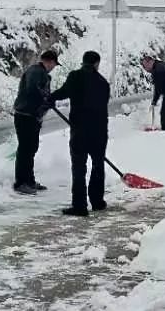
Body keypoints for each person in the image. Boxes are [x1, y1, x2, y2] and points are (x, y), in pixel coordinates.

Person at [50, 50, 111, 216]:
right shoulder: (103, 83)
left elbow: (64, 92)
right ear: (97, 63)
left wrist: (50, 98)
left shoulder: (75, 76)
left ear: (83, 62)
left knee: (79, 167)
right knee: (98, 165)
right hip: (99, 131)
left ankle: (80, 206)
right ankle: (97, 202)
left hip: (80, 130)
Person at [12, 48, 59, 194]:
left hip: (32, 116)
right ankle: (21, 183)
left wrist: (47, 101)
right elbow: (33, 89)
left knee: (31, 148)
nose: (53, 68)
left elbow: (40, 91)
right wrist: (46, 98)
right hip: (25, 115)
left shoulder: (41, 73)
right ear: (49, 62)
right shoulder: (35, 71)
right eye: (54, 64)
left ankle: (29, 180)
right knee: (26, 149)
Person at [141, 54, 165, 130]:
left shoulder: (158, 70)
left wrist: (154, 101)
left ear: (150, 62)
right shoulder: (159, 64)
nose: (145, 69)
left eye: (145, 66)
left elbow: (158, 88)